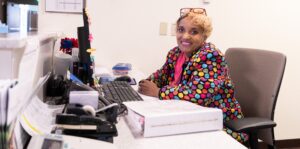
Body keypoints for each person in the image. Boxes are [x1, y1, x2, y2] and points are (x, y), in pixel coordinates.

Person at [138, 8, 248, 143]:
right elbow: (160, 76)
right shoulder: (176, 53)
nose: (185, 36)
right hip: (189, 116)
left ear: (204, 36)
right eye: (181, 30)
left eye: (194, 32)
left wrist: (159, 92)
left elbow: (198, 94)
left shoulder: (211, 56)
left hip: (219, 124)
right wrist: (145, 83)